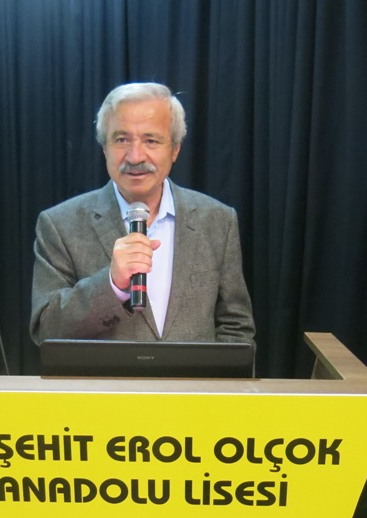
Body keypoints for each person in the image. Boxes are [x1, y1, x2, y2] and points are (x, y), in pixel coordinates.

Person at [30, 82, 255, 345]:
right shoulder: (60, 224)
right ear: (104, 148)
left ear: (175, 149)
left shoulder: (217, 221)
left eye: (151, 140)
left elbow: (236, 328)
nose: (135, 156)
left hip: (194, 375)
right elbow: (45, 330)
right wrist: (111, 285)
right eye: (121, 140)